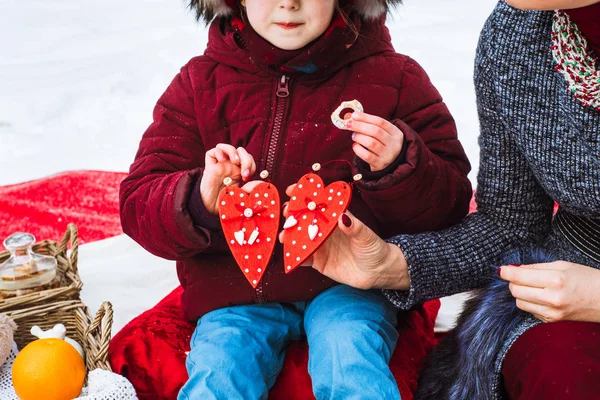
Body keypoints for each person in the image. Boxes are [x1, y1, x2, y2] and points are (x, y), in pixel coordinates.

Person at [119, 0, 473, 398]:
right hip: (235, 289)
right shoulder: (200, 84)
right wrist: (201, 199)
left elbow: (451, 201)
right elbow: (138, 200)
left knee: (349, 352)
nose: (289, 3)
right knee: (219, 367)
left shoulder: (396, 79)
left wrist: (399, 164)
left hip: (349, 284)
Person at [299, 0, 600, 398]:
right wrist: (392, 264)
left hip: (584, 292)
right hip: (565, 285)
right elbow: (511, 225)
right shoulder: (518, 32)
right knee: (557, 365)